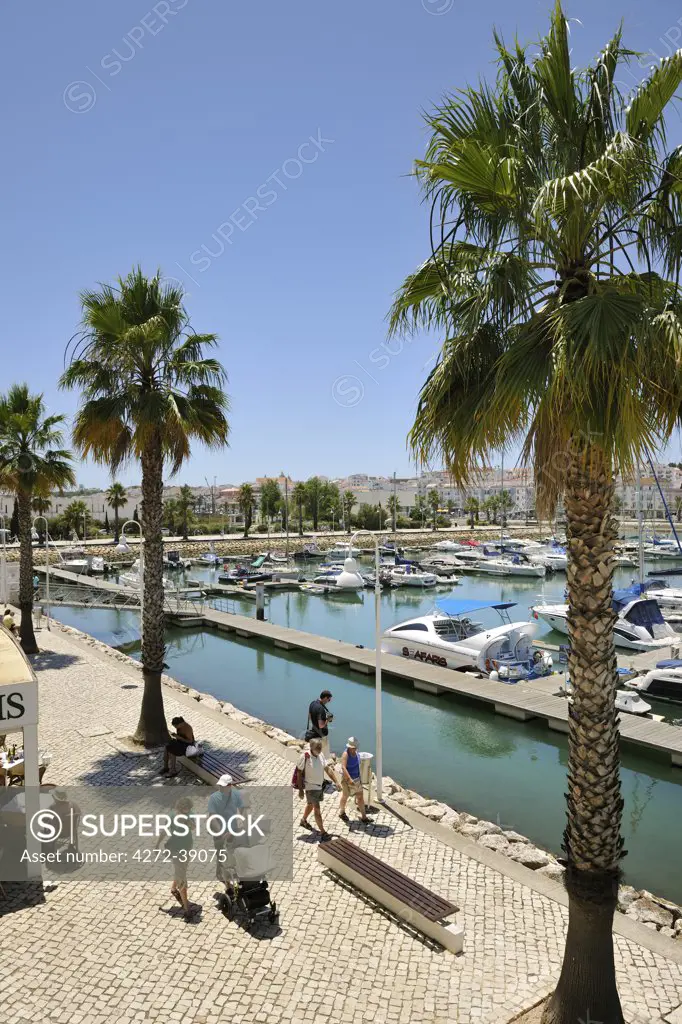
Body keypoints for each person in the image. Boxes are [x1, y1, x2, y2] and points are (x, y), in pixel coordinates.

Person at [156, 795, 196, 922]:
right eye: (186, 810)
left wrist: (187, 820)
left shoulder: (189, 814)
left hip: (187, 847)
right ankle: (187, 910)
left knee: (181, 870)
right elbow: (164, 831)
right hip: (176, 850)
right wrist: (157, 844)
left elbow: (193, 827)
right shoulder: (172, 817)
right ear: (181, 808)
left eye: (189, 810)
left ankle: (173, 888)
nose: (188, 811)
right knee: (182, 878)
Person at [297, 738, 339, 841]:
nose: (320, 749)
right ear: (311, 747)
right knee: (317, 809)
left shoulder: (321, 755)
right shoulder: (305, 757)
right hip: (310, 787)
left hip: (319, 786)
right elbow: (298, 772)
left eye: (320, 747)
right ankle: (323, 832)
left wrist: (336, 782)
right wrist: (301, 789)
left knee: (310, 805)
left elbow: (327, 769)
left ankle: (303, 820)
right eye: (317, 748)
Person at [207, 773, 244, 882]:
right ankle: (219, 871)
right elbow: (212, 817)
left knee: (232, 851)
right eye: (220, 785)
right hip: (219, 831)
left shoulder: (236, 795)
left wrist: (242, 821)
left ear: (230, 785)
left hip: (232, 829)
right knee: (220, 852)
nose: (221, 787)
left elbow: (242, 809)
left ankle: (231, 870)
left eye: (223, 786)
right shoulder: (214, 798)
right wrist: (222, 832)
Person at [338, 737, 370, 824]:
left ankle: (364, 816)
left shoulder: (356, 753)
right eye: (352, 748)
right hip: (347, 780)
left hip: (356, 779)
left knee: (360, 797)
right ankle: (342, 812)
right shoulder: (345, 754)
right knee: (345, 796)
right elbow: (343, 767)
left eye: (355, 748)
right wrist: (349, 779)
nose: (354, 749)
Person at [307, 689, 333, 758]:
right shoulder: (321, 709)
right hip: (320, 735)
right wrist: (327, 720)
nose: (328, 701)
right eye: (329, 700)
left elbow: (309, 716)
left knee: (312, 751)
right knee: (323, 755)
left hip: (313, 731)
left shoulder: (312, 703)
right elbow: (321, 726)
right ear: (325, 698)